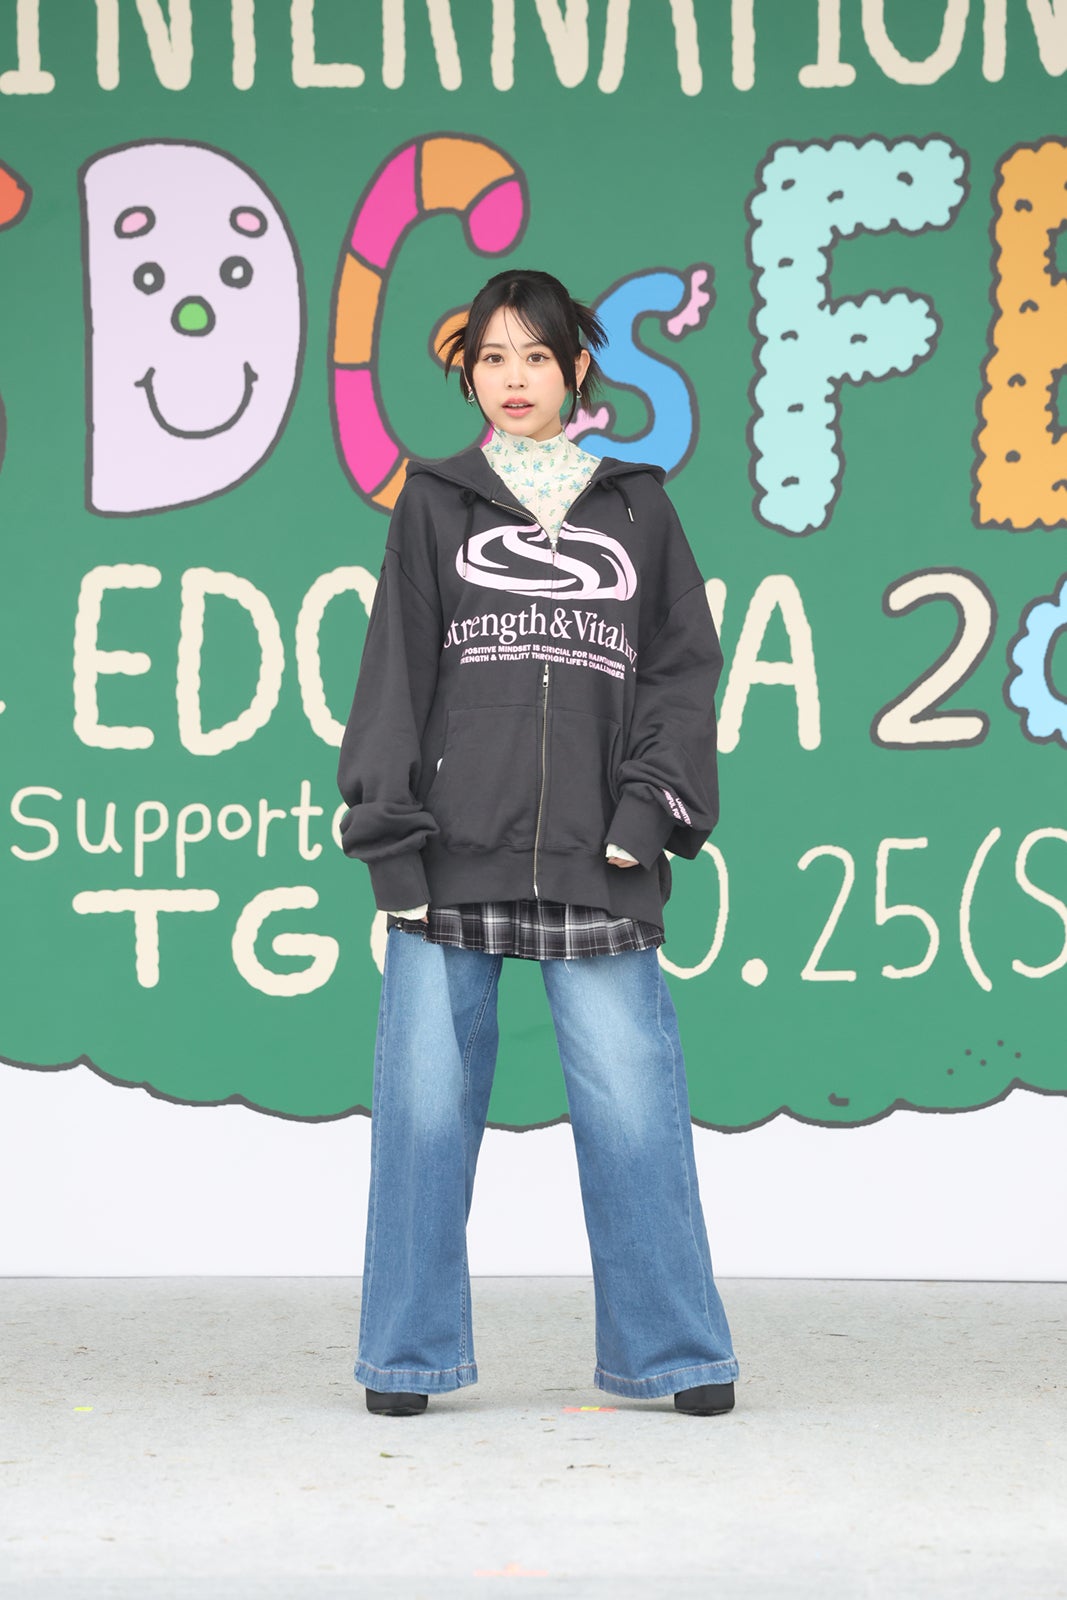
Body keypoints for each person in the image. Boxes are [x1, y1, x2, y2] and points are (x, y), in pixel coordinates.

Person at [337, 268, 738, 1419]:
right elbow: (394, 677)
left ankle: (674, 1352)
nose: (513, 379)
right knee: (421, 1115)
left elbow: (679, 676)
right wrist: (390, 841)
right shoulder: (433, 504)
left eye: (535, 357)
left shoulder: (638, 507)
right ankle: (406, 1355)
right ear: (467, 372)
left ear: (576, 370)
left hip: (597, 855)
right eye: (491, 358)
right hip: (449, 850)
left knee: (632, 1109)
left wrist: (643, 815)